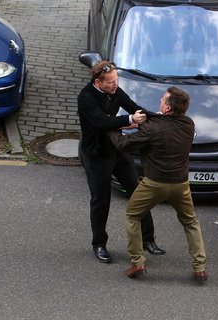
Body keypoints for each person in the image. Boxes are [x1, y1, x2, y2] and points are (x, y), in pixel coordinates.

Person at [108, 86, 208, 283]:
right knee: (190, 222)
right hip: (180, 184)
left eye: (162, 100)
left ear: (168, 108)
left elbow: (123, 144)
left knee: (133, 216)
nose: (159, 102)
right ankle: (200, 267)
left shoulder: (152, 129)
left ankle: (137, 262)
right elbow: (163, 121)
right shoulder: (189, 124)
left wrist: (112, 127)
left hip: (154, 184)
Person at [77, 60, 165, 264]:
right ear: (98, 82)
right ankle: (99, 244)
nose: (115, 85)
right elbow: (102, 122)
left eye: (116, 80)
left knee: (138, 193)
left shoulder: (116, 91)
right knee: (101, 200)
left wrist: (157, 118)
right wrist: (129, 120)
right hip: (96, 154)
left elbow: (135, 109)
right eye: (110, 82)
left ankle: (148, 240)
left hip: (117, 149)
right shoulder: (86, 98)